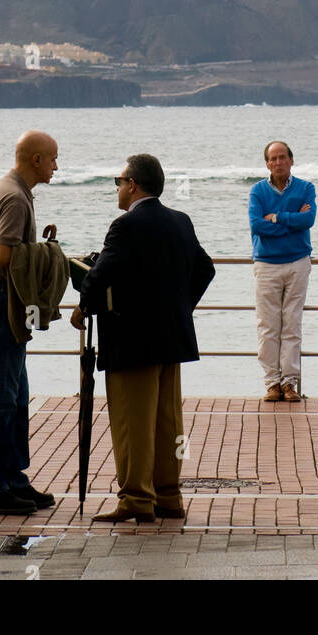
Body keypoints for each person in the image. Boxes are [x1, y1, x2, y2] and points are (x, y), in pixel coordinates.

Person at [70, 153, 215, 523]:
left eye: (119, 181)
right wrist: (182, 308)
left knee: (133, 422)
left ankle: (136, 499)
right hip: (173, 338)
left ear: (132, 184)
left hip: (132, 341)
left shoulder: (125, 225)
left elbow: (101, 274)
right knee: (169, 423)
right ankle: (169, 496)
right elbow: (205, 268)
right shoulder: (181, 221)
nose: (117, 187)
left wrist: (83, 307)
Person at [0, 130, 59, 516]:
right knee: (1, 398)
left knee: (16, 394)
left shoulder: (7, 188)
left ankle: (12, 480)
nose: (57, 165)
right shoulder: (16, 197)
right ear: (35, 159)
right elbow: (5, 256)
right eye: (53, 158)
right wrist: (47, 253)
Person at [248, 140, 316, 403]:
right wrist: (291, 220)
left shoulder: (306, 188)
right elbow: (256, 225)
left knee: (292, 325)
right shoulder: (257, 191)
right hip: (266, 264)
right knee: (268, 327)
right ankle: (272, 383)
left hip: (298, 263)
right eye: (273, 158)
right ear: (267, 163)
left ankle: (290, 383)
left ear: (291, 160)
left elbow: (308, 220)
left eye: (282, 157)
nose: (278, 162)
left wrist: (276, 217)